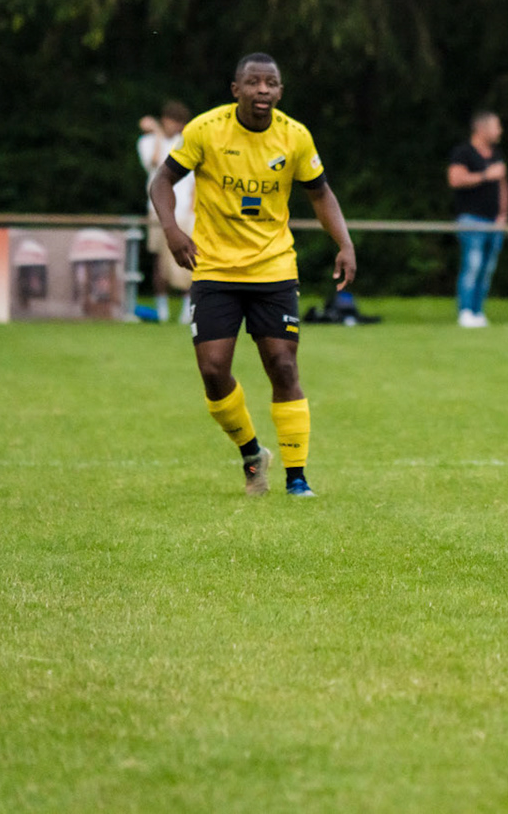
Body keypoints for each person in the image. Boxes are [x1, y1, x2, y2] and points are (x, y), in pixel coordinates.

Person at [149, 53, 356, 498]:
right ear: (236, 89)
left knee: (283, 365)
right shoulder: (206, 130)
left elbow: (321, 194)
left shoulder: (295, 136)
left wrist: (345, 243)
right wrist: (172, 230)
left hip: (273, 269)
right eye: (254, 82)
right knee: (212, 370)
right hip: (215, 268)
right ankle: (251, 452)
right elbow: (161, 182)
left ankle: (297, 478)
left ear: (280, 92)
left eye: (272, 83)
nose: (263, 90)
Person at [447, 110, 508, 328]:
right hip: (471, 219)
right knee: (471, 266)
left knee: (487, 269)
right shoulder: (463, 153)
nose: (500, 131)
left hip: (494, 222)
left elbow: (502, 185)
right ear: (482, 129)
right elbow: (455, 179)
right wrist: (485, 175)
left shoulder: (496, 154)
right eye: (496, 126)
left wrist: (503, 214)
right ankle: (465, 311)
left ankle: (478, 312)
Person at [138, 101, 195, 323]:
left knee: (189, 257)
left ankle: (186, 308)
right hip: (158, 209)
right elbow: (155, 162)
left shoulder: (187, 142)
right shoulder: (148, 141)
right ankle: (161, 308)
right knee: (161, 260)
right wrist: (158, 133)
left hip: (186, 210)